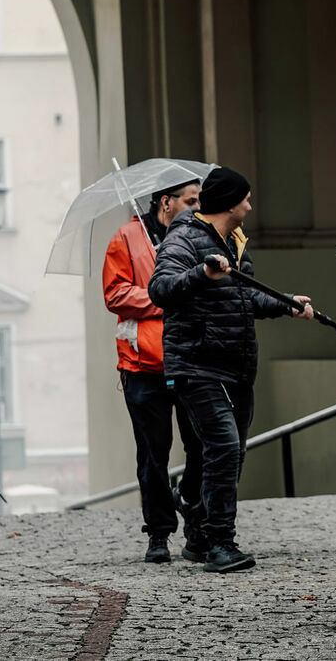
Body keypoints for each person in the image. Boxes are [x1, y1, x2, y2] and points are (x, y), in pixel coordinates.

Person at [149, 167, 314, 574]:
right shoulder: (183, 239)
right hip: (195, 365)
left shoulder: (235, 242)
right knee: (222, 446)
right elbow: (160, 289)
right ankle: (221, 543)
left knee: (231, 453)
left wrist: (287, 304)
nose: (250, 207)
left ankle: (198, 532)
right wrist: (202, 273)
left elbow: (246, 297)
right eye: (246, 199)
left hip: (236, 366)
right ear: (229, 203)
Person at [103, 178, 205, 563]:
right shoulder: (127, 238)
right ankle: (159, 532)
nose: (197, 207)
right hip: (142, 364)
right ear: (166, 202)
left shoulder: (198, 236)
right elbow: (115, 293)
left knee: (202, 445)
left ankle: (194, 513)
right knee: (152, 454)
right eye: (190, 200)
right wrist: (165, 296)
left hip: (190, 358)